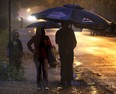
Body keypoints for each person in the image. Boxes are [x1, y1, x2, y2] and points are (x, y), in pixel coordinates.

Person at [55, 22, 77, 86]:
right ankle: (68, 80)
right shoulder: (70, 31)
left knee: (64, 65)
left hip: (63, 51)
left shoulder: (59, 32)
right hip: (69, 52)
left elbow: (57, 41)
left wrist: (66, 48)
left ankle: (63, 80)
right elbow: (74, 42)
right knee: (69, 65)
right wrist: (70, 48)